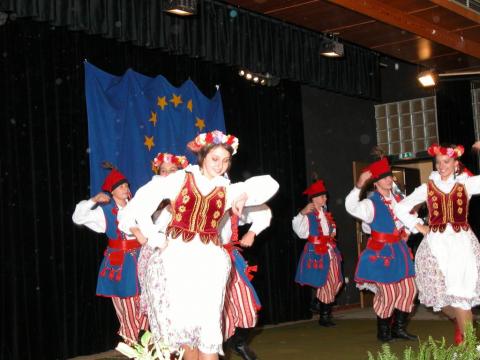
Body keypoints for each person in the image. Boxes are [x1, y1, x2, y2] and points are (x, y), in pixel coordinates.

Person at [118, 130, 279, 360]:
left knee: (208, 329)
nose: (220, 165)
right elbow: (138, 206)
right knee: (184, 331)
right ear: (202, 156)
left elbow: (270, 185)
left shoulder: (228, 189)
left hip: (210, 261)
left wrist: (243, 193)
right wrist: (155, 237)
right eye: (215, 159)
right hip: (177, 260)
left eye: (226, 160)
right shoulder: (179, 179)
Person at [394, 143, 480, 345]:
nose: (442, 166)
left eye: (446, 162)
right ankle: (462, 323)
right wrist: (419, 226)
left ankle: (470, 347)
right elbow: (400, 208)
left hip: (461, 245)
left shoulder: (466, 184)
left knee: (461, 294)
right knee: (442, 300)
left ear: (455, 163)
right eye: (438, 162)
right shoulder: (427, 188)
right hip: (436, 246)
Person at [72, 164, 148, 344]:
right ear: (112, 191)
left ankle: (147, 347)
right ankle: (134, 346)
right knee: (127, 311)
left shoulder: (137, 207)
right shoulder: (104, 212)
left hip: (142, 260)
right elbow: (78, 218)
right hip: (120, 265)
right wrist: (93, 201)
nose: (126, 189)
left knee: (146, 307)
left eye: (127, 186)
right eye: (121, 186)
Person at [345, 158, 417, 342]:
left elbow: (413, 217)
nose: (388, 180)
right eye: (383, 177)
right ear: (376, 182)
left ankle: (398, 328)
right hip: (381, 253)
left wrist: (407, 231)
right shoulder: (371, 203)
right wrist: (359, 185)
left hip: (400, 250)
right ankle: (383, 331)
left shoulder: (400, 200)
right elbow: (351, 207)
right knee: (389, 293)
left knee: (409, 289)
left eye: (389, 176)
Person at [133, 152, 189, 316]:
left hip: (184, 250)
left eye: (173, 169)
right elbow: (134, 217)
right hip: (158, 250)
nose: (169, 174)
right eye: (164, 170)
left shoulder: (188, 193)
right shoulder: (151, 193)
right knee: (161, 300)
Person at [220, 205, 272, 360]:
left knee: (248, 311)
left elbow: (264, 211)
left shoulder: (231, 203)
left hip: (232, 260)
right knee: (219, 318)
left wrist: (251, 232)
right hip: (206, 263)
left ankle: (238, 342)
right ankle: (218, 354)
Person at [293, 180, 343, 327]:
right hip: (316, 253)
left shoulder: (326, 214)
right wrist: (302, 212)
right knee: (326, 283)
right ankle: (324, 316)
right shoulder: (307, 215)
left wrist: (332, 232)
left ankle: (317, 302)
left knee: (338, 281)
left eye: (325, 196)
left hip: (330, 250)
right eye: (322, 196)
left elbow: (330, 232)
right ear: (313, 198)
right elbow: (300, 232)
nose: (325, 199)